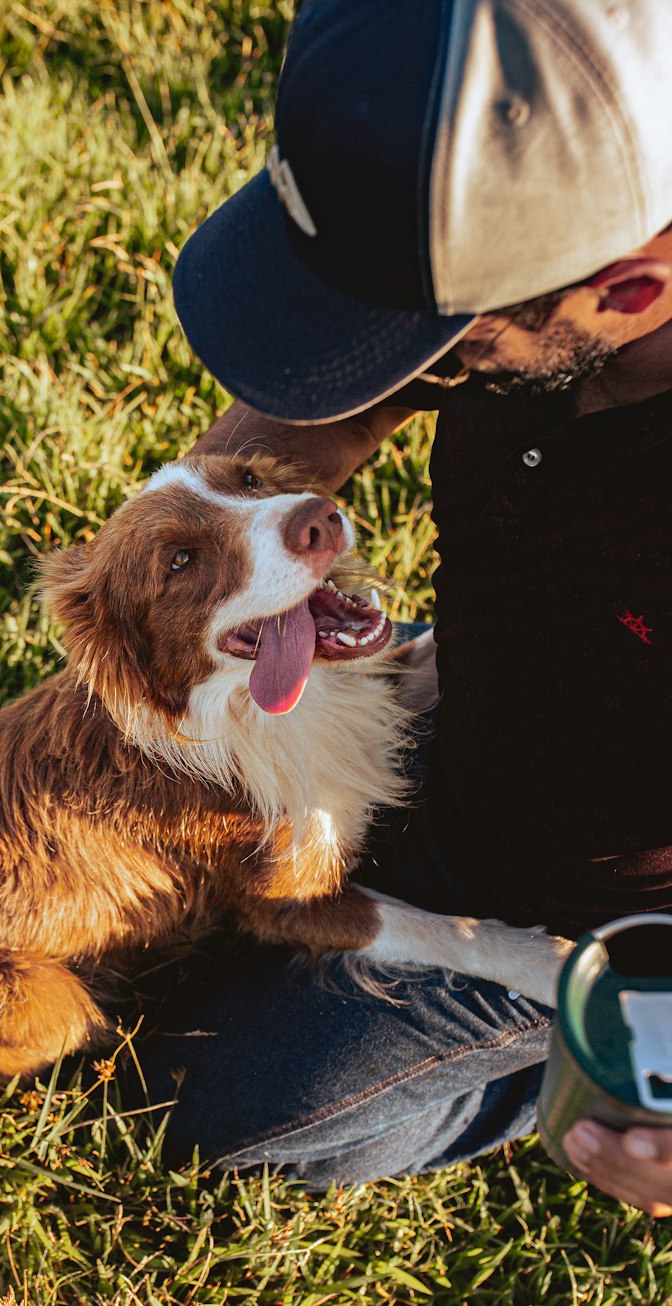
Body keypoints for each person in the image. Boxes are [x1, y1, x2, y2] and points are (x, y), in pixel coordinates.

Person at [131, 0, 672, 1215]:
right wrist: (178, 562)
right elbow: (338, 401)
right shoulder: (497, 160)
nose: (411, 376)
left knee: (209, 1109)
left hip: (580, 903)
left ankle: (557, 1041)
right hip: (464, 689)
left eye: (451, 347)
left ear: (632, 289)